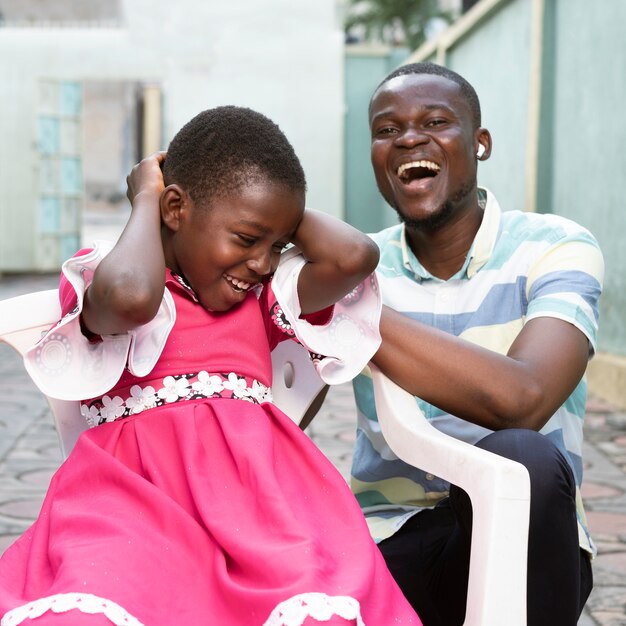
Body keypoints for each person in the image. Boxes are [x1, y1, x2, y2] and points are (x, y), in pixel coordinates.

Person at [0, 106, 420, 625]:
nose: (264, 263)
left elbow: (353, 256)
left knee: (312, 608)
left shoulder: (266, 299)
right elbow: (131, 298)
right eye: (246, 239)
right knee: (95, 604)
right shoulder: (111, 275)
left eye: (279, 245)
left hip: (259, 508)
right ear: (175, 208)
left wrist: (275, 212)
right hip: (130, 505)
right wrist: (148, 197)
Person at [350, 62, 604, 626]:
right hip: (394, 535)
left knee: (522, 455)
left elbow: (524, 398)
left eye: (436, 121)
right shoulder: (358, 265)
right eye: (387, 130)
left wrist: (353, 308)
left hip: (532, 535)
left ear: (480, 142)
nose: (409, 138)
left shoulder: (555, 247)